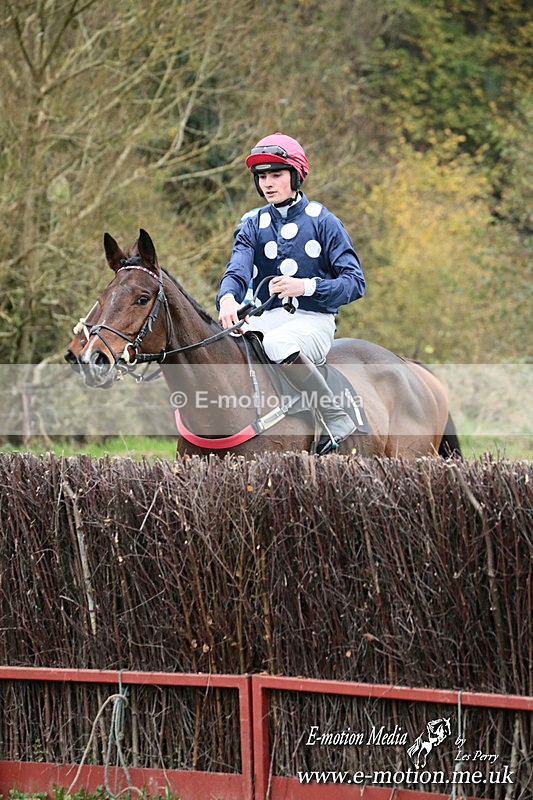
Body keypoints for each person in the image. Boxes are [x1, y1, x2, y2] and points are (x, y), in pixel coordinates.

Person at [217, 132, 365, 454]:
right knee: (225, 346)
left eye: (276, 175)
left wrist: (306, 286)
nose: (268, 184)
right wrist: (228, 299)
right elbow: (237, 271)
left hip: (314, 321)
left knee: (277, 343)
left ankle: (334, 415)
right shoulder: (252, 225)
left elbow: (355, 283)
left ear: (295, 176)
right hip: (266, 318)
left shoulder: (324, 221)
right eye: (262, 177)